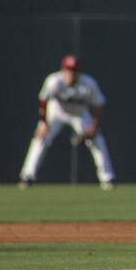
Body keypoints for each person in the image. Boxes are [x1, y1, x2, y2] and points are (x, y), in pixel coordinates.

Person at [18, 54, 115, 190]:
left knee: (97, 139)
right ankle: (27, 176)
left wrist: (93, 126)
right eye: (68, 70)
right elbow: (43, 101)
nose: (71, 73)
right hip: (56, 112)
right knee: (40, 138)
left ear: (79, 72)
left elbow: (99, 104)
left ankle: (107, 178)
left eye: (74, 70)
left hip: (79, 114)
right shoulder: (54, 81)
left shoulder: (88, 84)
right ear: (63, 70)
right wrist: (44, 124)